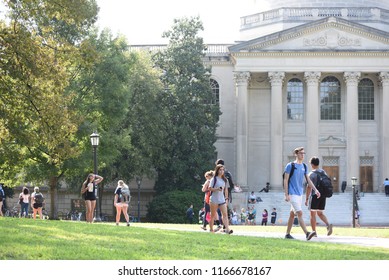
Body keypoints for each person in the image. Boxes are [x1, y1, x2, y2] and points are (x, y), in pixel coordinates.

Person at [283, 147, 320, 240]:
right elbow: (285, 180)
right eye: (300, 153)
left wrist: (315, 190)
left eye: (303, 153)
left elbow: (308, 180)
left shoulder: (304, 166)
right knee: (299, 213)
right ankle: (307, 233)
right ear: (296, 154)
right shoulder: (290, 165)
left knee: (292, 214)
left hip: (300, 194)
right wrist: (286, 194)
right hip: (292, 193)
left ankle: (287, 234)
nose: (302, 155)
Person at [306, 157, 333, 236]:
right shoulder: (323, 172)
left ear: (312, 164)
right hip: (323, 195)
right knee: (320, 213)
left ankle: (314, 232)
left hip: (315, 195)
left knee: (312, 214)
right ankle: (328, 225)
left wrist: (307, 198)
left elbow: (308, 187)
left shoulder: (311, 174)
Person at [209, 164, 233, 234]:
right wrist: (217, 189)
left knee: (225, 214)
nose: (222, 171)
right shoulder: (214, 179)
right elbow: (210, 188)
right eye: (220, 170)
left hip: (222, 199)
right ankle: (211, 229)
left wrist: (226, 198)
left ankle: (227, 229)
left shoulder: (225, 180)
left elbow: (226, 190)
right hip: (214, 200)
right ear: (217, 170)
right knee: (213, 215)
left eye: (223, 170)